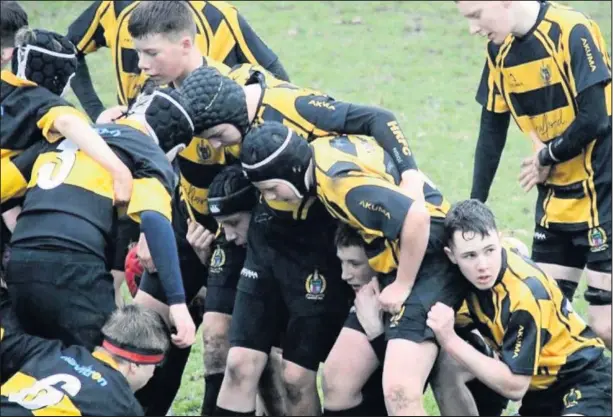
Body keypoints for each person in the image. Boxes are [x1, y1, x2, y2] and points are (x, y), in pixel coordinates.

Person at [239, 121, 471, 416]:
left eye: (272, 188)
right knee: (337, 380)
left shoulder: (340, 184)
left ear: (292, 170)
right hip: (399, 258)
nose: (272, 198)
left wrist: (402, 284)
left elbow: (417, 218)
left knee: (400, 392)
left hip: (430, 257)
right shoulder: (318, 155)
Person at [456, 0, 611, 348]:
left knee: (605, 325)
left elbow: (595, 118)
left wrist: (548, 154)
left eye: (476, 16)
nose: (473, 28)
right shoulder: (499, 52)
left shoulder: (572, 30)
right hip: (556, 201)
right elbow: (491, 129)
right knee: (544, 317)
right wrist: (473, 208)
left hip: (604, 194)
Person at [2, 85, 197, 352]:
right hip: (73, 265)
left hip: (20, 264)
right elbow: (154, 219)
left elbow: (6, 187)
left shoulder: (73, 137)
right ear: (173, 148)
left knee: (39, 364)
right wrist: (177, 302)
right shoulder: (146, 150)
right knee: (107, 366)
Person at [428, 199, 611, 416]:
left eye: (489, 250)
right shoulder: (461, 276)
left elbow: (515, 387)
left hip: (584, 379)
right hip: (539, 395)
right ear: (451, 256)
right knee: (447, 367)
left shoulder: (525, 296)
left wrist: (450, 340)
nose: (483, 265)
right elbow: (518, 246)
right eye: (470, 255)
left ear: (499, 238)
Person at [326, 223, 510, 416]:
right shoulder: (366, 292)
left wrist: (376, 333)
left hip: (480, 384)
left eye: (355, 264)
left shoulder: (429, 294)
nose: (345, 275)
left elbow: (411, 383)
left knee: (444, 371)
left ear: (381, 260)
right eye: (342, 262)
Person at [66, 0, 289, 122]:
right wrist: (97, 112)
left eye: (152, 53)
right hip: (138, 137)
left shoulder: (218, 16)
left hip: (204, 148)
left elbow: (275, 78)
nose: (142, 65)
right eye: (137, 53)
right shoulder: (114, 8)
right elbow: (68, 50)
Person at [0, 279, 170, 416]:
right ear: (136, 364)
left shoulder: (50, 351)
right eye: (155, 366)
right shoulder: (124, 406)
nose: (153, 374)